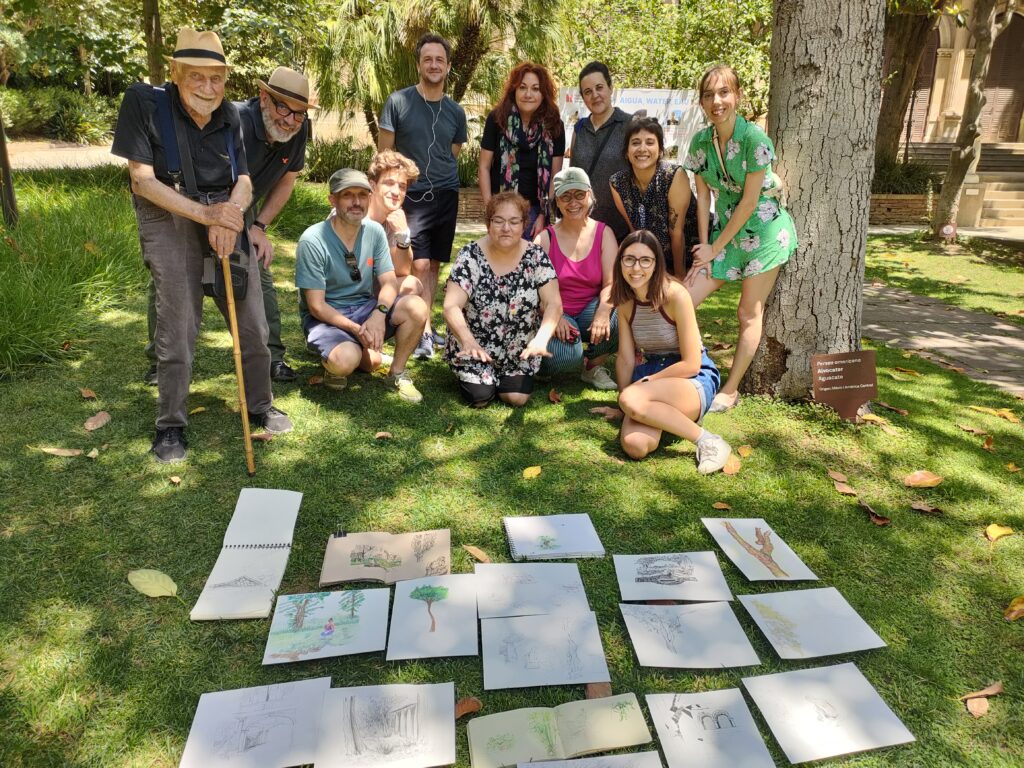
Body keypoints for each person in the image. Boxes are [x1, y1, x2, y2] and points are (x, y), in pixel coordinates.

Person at [111, 28, 291, 463]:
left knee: (252, 319)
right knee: (179, 320)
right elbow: (142, 180)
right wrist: (207, 215)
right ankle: (171, 425)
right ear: (175, 73)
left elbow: (245, 179)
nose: (209, 89)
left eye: (217, 78)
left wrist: (230, 213)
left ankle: (261, 406)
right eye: (197, 77)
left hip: (223, 210)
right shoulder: (144, 102)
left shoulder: (231, 115)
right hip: (168, 211)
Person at [141, 66, 313, 385]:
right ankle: (160, 360)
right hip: (189, 204)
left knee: (256, 272)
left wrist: (258, 226)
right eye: (283, 108)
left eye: (299, 113)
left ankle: (271, 357)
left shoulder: (299, 130)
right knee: (172, 277)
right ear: (264, 98)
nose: (290, 120)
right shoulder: (232, 119)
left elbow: (287, 181)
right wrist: (209, 218)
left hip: (241, 206)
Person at [682, 64, 797, 413]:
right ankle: (687, 366)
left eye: (724, 92)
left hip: (764, 232)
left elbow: (749, 202)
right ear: (702, 102)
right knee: (685, 297)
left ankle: (730, 390)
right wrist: (705, 248)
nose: (716, 101)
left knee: (748, 311)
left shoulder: (754, 140)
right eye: (708, 95)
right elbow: (703, 197)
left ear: (737, 95)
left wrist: (715, 246)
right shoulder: (701, 141)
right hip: (725, 232)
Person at [295, 169, 429, 403]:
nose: (356, 202)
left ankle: (396, 373)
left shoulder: (374, 231)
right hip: (327, 316)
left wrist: (379, 315)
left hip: (364, 308)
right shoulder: (312, 239)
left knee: (416, 306)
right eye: (347, 195)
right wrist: (357, 330)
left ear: (369, 197)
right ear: (333, 200)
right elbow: (316, 306)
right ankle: (337, 358)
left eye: (362, 195)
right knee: (345, 361)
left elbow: (389, 281)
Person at [378, 33, 468, 360]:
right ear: (419, 64)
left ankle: (425, 328)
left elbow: (452, 151)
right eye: (428, 59)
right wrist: (391, 195)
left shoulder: (456, 112)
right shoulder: (398, 102)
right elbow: (384, 154)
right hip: (410, 195)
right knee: (415, 262)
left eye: (439, 60)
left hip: (445, 193)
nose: (434, 65)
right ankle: (421, 328)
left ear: (447, 67)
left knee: (433, 265)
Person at [612, 230, 731, 473]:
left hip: (691, 377)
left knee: (632, 398)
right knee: (636, 445)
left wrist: (643, 385)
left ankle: (708, 441)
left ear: (656, 264)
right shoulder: (624, 301)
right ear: (620, 262)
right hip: (653, 377)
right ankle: (661, 415)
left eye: (645, 260)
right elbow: (625, 358)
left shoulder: (676, 295)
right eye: (629, 259)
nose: (636, 268)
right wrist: (623, 403)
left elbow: (691, 364)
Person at [443, 192, 562, 407]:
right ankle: (477, 375)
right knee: (480, 397)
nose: (506, 228)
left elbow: (554, 303)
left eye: (514, 221)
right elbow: (451, 305)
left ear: (524, 224)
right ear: (488, 223)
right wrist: (468, 341)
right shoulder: (470, 255)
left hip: (519, 351)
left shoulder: (536, 256)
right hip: (475, 347)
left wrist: (541, 339)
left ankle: (506, 378)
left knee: (516, 398)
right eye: (498, 221)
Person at [533, 167, 618, 390]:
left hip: (589, 309)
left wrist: (603, 311)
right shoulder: (544, 239)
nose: (573, 202)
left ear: (590, 195)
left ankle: (592, 368)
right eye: (566, 196)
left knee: (620, 315)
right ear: (557, 203)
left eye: (579, 194)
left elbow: (612, 283)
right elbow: (532, 293)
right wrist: (553, 317)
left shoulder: (604, 233)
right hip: (556, 311)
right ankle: (542, 367)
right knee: (569, 356)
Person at [478, 62, 565, 239]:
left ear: (544, 93)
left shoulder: (554, 125)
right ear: (514, 90)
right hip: (501, 210)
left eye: (535, 89)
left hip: (535, 213)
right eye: (522, 87)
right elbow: (484, 167)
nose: (528, 94)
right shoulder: (497, 120)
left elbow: (555, 176)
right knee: (501, 264)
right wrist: (491, 211)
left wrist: (543, 213)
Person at [609, 117, 698, 278]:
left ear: (660, 151)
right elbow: (635, 231)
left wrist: (679, 277)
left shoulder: (673, 176)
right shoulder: (617, 183)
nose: (642, 148)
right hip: (651, 261)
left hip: (689, 257)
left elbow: (677, 234)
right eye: (635, 142)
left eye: (650, 142)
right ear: (626, 152)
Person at [569, 61, 632, 242]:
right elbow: (574, 177)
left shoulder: (629, 126)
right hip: (584, 229)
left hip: (620, 230)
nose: (595, 95)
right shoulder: (579, 130)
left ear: (610, 88)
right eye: (588, 92)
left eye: (599, 88)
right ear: (583, 97)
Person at [366, 149, 424, 298]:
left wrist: (403, 234)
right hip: (341, 292)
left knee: (413, 285)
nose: (396, 192)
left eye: (402, 186)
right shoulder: (355, 214)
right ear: (372, 185)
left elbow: (401, 271)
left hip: (371, 289)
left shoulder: (392, 220)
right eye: (389, 183)